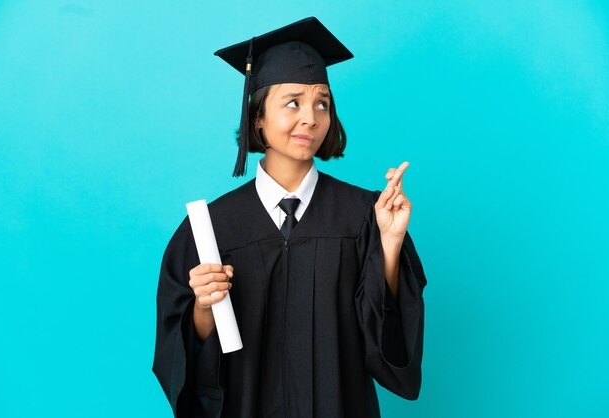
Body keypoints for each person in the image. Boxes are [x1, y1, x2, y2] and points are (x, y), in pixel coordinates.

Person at [153, 17, 427, 418]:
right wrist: (203, 309)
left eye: (322, 103)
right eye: (292, 102)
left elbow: (387, 342)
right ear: (258, 116)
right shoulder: (211, 227)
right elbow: (183, 364)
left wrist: (388, 246)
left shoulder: (364, 215)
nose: (310, 118)